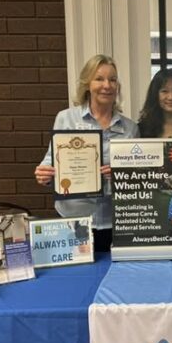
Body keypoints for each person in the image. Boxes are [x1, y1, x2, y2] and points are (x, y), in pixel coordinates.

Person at [34, 54, 139, 252]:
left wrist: (120, 175)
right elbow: (50, 161)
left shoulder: (130, 128)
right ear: (87, 83)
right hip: (74, 221)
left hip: (115, 223)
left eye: (113, 79)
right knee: (77, 280)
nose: (107, 85)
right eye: (99, 78)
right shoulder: (66, 119)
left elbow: (139, 178)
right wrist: (44, 174)